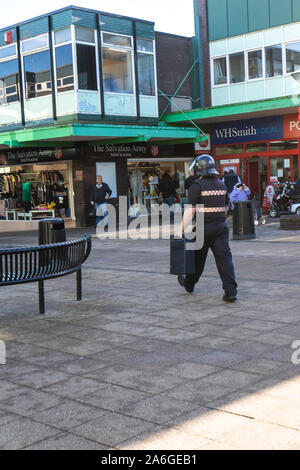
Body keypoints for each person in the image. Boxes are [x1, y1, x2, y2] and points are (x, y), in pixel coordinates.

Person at [177, 154, 238, 302]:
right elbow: (225, 208)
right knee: (225, 260)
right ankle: (231, 292)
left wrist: (180, 230)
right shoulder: (222, 185)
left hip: (203, 228)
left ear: (199, 168)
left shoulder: (196, 186)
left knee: (197, 260)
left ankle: (189, 284)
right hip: (221, 228)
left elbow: (190, 211)